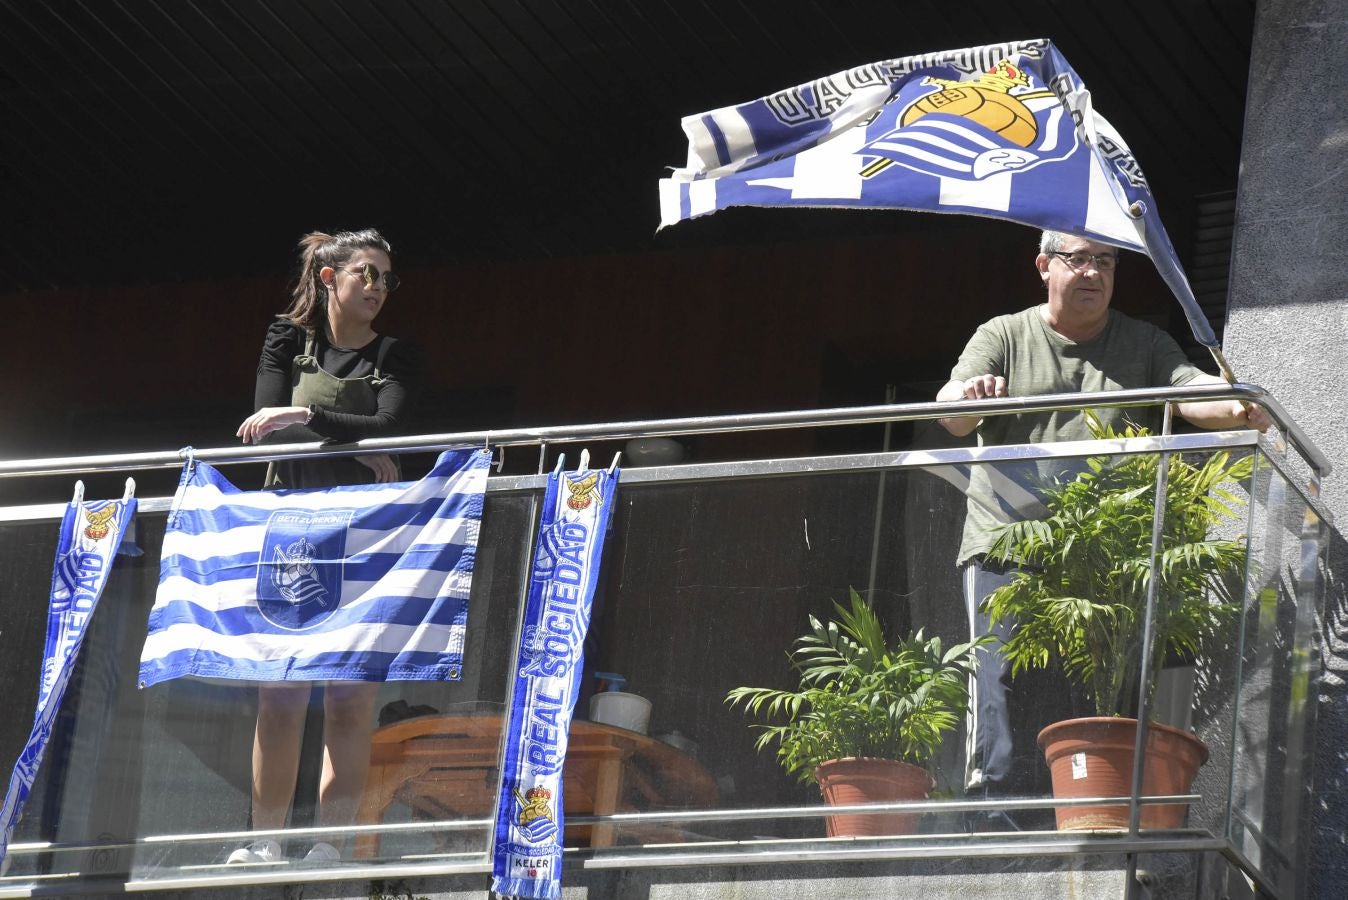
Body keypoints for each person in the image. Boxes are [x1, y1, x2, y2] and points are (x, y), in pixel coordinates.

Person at [935, 229, 1269, 819]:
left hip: (1103, 549)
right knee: (998, 680)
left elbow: (1191, 392)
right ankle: (993, 816)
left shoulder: (1144, 343)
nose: (1093, 272)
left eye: (1106, 262)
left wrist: (1238, 404)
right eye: (1079, 259)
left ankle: (1099, 813)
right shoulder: (1003, 334)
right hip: (1006, 542)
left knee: (1101, 687)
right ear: (1044, 266)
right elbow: (951, 413)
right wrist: (970, 397)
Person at [228, 228, 419, 864]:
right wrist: (351, 445)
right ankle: (264, 842)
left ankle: (330, 847)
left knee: (349, 696)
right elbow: (261, 429)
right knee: (281, 692)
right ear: (330, 277)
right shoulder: (286, 339)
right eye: (367, 273)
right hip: (291, 529)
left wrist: (304, 416)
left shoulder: (394, 354)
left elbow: (389, 425)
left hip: (366, 534)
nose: (379, 287)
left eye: (387, 278)